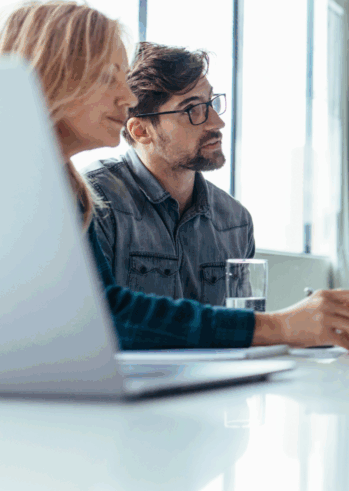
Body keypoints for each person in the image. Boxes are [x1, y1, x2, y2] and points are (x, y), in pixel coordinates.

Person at [0, 0, 349, 351]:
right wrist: (280, 326)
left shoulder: (65, 189)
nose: (126, 97)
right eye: (108, 77)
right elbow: (102, 318)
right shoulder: (71, 193)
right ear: (55, 77)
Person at [85, 42, 253, 306]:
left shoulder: (236, 221)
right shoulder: (95, 200)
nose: (217, 123)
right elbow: (98, 323)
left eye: (211, 103)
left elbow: (245, 325)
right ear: (141, 131)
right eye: (192, 109)